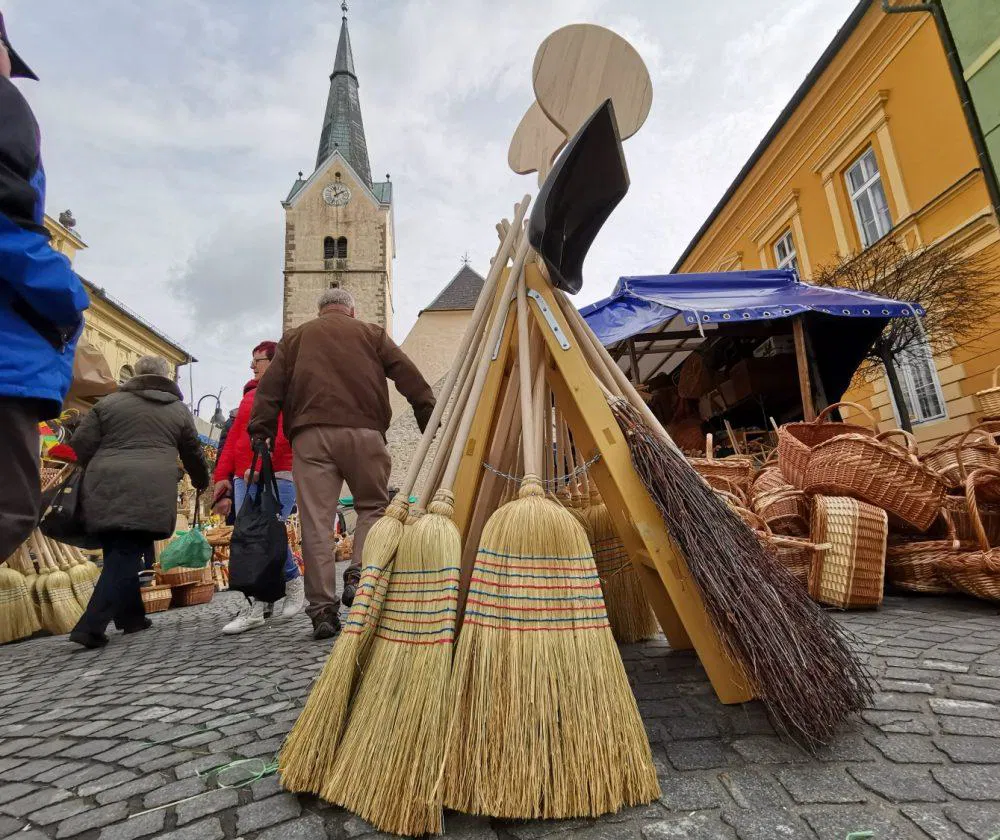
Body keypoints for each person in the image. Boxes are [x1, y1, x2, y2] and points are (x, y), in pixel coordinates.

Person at [249, 288, 434, 639]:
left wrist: (261, 429)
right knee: (372, 507)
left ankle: (322, 611)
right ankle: (359, 573)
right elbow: (404, 370)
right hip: (364, 432)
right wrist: (425, 407)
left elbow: (269, 387)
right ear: (351, 310)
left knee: (317, 524)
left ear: (321, 311)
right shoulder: (371, 332)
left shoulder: (295, 338)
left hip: (311, 436)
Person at [0, 15, 90, 561]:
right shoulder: (5, 106)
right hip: (8, 356)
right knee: (10, 505)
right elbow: (8, 224)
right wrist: (67, 294)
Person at [67, 356, 209, 648]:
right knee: (126, 554)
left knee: (120, 551)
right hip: (150, 486)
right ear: (166, 376)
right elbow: (193, 451)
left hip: (104, 483)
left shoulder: (107, 404)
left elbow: (80, 444)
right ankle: (90, 626)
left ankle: (131, 618)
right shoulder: (178, 411)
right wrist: (201, 480)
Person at [212, 340, 304, 634]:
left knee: (267, 533)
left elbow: (283, 435)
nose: (252, 365)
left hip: (277, 473)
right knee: (250, 537)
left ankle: (292, 581)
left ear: (274, 362)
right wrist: (223, 477)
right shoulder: (249, 394)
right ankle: (258, 604)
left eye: (258, 360)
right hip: (243, 476)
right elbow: (234, 440)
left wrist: (261, 466)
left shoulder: (287, 392)